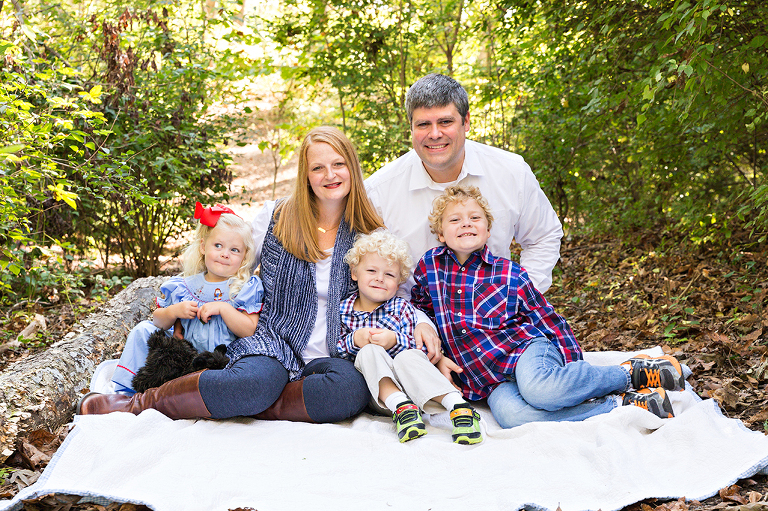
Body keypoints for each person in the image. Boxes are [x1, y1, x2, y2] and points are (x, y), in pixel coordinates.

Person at [79, 126, 387, 424]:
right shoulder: (276, 218)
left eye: (338, 164)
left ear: (352, 168)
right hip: (271, 344)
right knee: (251, 382)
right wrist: (185, 307)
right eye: (318, 167)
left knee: (348, 392)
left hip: (339, 351)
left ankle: (253, 400)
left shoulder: (371, 230)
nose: (330, 175)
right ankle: (136, 404)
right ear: (305, 176)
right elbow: (227, 263)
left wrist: (421, 325)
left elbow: (395, 291)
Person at [410, 184, 686, 428]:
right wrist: (438, 358)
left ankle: (628, 374)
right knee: (512, 416)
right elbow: (419, 314)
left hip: (524, 349)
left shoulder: (508, 273)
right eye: (455, 220)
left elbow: (544, 317)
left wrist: (569, 368)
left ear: (488, 229)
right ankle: (622, 405)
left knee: (542, 391)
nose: (466, 224)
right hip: (487, 377)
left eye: (474, 218)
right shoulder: (430, 266)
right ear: (441, 234)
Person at [338, 228, 482, 444]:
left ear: (399, 281)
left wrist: (394, 340)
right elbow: (336, 349)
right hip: (381, 396)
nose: (379, 279)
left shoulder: (402, 308)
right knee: (368, 351)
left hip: (416, 388)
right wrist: (355, 339)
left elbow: (421, 351)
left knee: (408, 356)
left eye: (389, 274)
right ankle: (401, 408)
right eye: (371, 271)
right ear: (355, 273)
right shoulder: (343, 311)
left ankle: (458, 407)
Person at [111, 203, 263, 394]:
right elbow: (158, 321)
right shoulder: (185, 285)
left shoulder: (244, 287)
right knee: (143, 330)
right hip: (183, 355)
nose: (225, 254)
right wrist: (174, 311)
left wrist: (224, 309)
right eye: (218, 246)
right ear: (202, 247)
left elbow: (250, 330)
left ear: (244, 256)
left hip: (222, 358)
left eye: (235, 250)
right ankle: (126, 391)